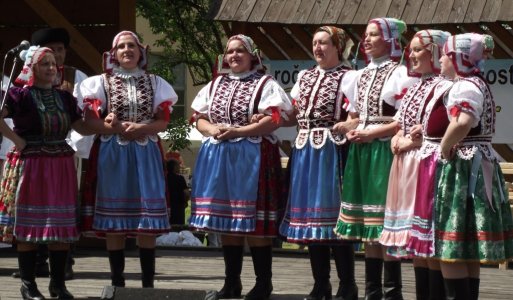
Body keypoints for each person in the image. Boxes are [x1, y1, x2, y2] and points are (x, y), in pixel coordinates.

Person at [189, 34, 292, 300]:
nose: (234, 56)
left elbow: (275, 119)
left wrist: (239, 131)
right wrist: (212, 128)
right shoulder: (216, 84)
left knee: (255, 222)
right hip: (221, 158)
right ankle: (231, 282)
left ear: (251, 55)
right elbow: (198, 117)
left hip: (253, 156)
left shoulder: (265, 83)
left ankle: (263, 283)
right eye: (230, 52)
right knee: (226, 223)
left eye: (240, 51)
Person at [77, 30, 177, 288]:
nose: (127, 50)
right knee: (115, 219)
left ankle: (147, 284)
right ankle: (117, 282)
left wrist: (141, 128)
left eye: (131, 46)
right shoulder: (99, 82)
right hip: (113, 151)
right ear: (113, 54)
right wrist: (113, 125)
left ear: (140, 51)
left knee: (147, 218)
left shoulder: (156, 83)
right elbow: (90, 122)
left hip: (146, 152)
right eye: (121, 47)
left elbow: (163, 122)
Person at [333, 17, 417, 300]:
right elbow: (356, 116)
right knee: (370, 227)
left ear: (390, 40)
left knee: (384, 224)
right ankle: (373, 292)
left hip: (384, 149)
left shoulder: (400, 74)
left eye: (372, 35)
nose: (365, 41)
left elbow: (402, 120)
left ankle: (392, 292)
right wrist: (348, 125)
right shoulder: (359, 75)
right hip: (362, 150)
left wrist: (370, 133)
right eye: (365, 35)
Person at [0, 46, 90, 300]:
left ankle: (57, 285)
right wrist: (17, 140)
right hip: (32, 164)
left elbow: (80, 125)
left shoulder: (65, 98)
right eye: (45, 64)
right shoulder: (20, 95)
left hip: (60, 163)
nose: (51, 68)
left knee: (60, 227)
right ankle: (28, 285)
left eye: (53, 64)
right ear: (32, 68)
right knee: (29, 225)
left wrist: (106, 126)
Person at [278, 26, 358, 300]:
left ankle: (347, 284)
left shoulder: (349, 77)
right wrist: (271, 117)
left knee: (334, 218)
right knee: (312, 219)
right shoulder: (305, 76)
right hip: (305, 151)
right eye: (315, 43)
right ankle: (320, 284)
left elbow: (358, 115)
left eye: (324, 43)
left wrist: (347, 124)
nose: (317, 48)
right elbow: (293, 116)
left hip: (332, 151)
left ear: (338, 47)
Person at [434, 33, 513, 299]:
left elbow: (463, 121)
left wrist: (444, 147)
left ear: (458, 58)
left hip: (465, 169)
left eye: (445, 55)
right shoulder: (477, 83)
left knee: (451, 247)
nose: (441, 60)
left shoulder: (465, 86)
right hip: (479, 164)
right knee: (467, 249)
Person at [377, 29, 452, 300]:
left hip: (425, 167)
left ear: (435, 52)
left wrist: (410, 143)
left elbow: (441, 133)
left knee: (428, 242)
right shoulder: (415, 86)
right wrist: (396, 138)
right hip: (404, 167)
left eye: (418, 50)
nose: (411, 54)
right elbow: (401, 123)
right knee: (416, 246)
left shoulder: (446, 87)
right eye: (410, 50)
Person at [166, 158, 189, 226]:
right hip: (179, 207)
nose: (180, 167)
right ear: (174, 167)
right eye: (178, 165)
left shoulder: (164, 178)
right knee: (179, 228)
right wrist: (186, 202)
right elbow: (186, 193)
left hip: (167, 207)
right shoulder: (180, 178)